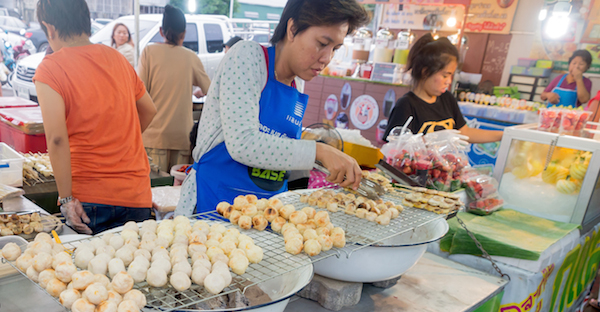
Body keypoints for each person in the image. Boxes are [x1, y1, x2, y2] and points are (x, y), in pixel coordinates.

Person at [176, 0, 369, 215]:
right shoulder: (247, 57)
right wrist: (319, 151)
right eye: (322, 43)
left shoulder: (298, 82)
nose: (327, 58)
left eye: (335, 48)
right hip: (215, 205)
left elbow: (280, 145)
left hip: (264, 213)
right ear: (292, 28)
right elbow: (243, 143)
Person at [33, 0, 157, 234]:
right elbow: (149, 110)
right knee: (135, 268)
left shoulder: (50, 68)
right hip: (137, 195)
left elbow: (57, 139)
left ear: (49, 28)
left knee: (90, 269)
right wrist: (120, 140)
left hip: (89, 199)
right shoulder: (117, 59)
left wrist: (66, 198)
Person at [383, 34, 503, 143]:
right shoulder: (406, 106)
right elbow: (395, 147)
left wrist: (504, 135)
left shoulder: (447, 99)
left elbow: (464, 133)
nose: (449, 81)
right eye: (445, 75)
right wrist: (434, 139)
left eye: (451, 75)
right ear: (425, 72)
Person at [138, 5, 211, 173]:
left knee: (155, 191)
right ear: (183, 33)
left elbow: (139, 92)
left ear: (161, 31)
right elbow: (211, 90)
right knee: (177, 190)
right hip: (182, 138)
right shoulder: (191, 57)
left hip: (153, 137)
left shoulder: (149, 52)